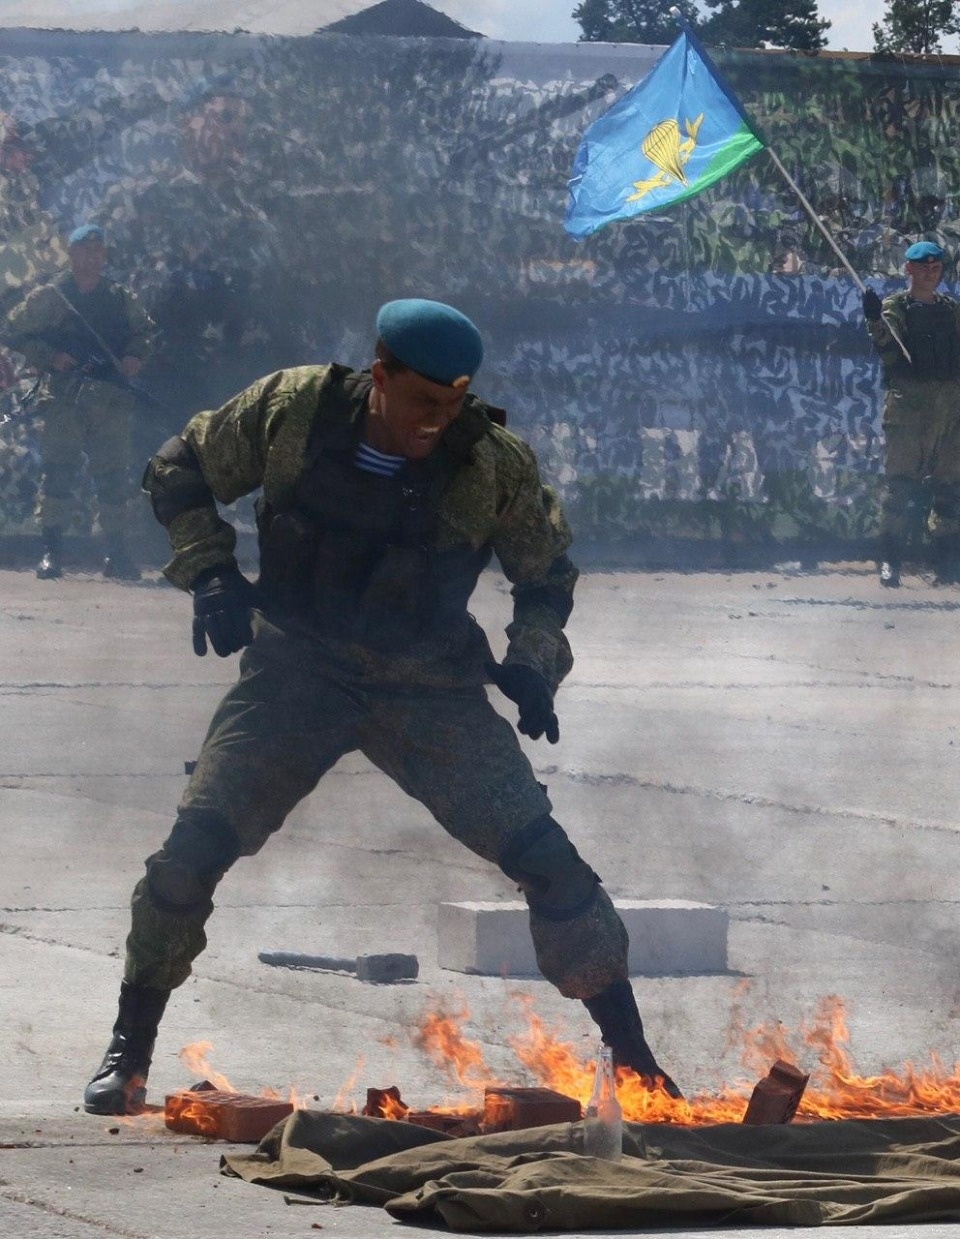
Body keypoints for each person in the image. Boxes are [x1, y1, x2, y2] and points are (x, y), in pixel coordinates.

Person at [82, 297, 681, 1116]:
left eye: (455, 403)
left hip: (428, 684)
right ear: (381, 373)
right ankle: (130, 1049)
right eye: (423, 401)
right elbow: (179, 467)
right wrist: (211, 573)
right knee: (193, 850)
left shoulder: (490, 463)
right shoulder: (292, 410)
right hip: (299, 668)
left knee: (549, 862)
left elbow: (545, 577)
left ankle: (634, 1056)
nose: (438, 420)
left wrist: (535, 663)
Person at [0, 223, 155, 579]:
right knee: (58, 474)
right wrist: (49, 355)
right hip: (65, 398)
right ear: (71, 254)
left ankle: (116, 554)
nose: (92, 257)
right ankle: (51, 553)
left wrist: (134, 356)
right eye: (85, 250)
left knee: (114, 478)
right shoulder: (52, 296)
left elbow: (145, 331)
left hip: (111, 400)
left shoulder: (119, 297)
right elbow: (11, 329)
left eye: (98, 250)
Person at [863, 239, 960, 587]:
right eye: (924, 268)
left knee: (949, 489)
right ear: (909, 270)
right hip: (909, 410)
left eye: (936, 269)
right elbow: (886, 347)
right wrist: (874, 318)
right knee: (899, 488)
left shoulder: (951, 309)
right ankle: (890, 563)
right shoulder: (896, 308)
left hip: (950, 411)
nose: (930, 275)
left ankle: (948, 565)